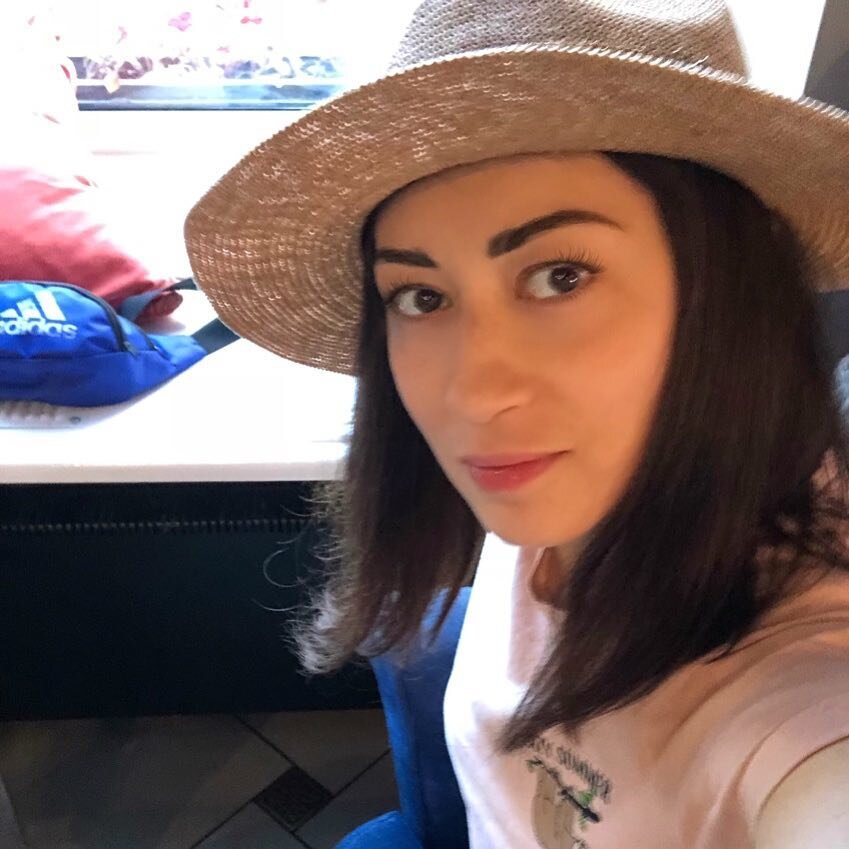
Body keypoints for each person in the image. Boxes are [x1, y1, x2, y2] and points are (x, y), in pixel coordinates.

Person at [183, 1, 849, 846]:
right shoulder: (573, 481)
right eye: (420, 296)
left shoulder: (796, 700)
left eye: (559, 275)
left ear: (724, 291)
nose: (471, 392)